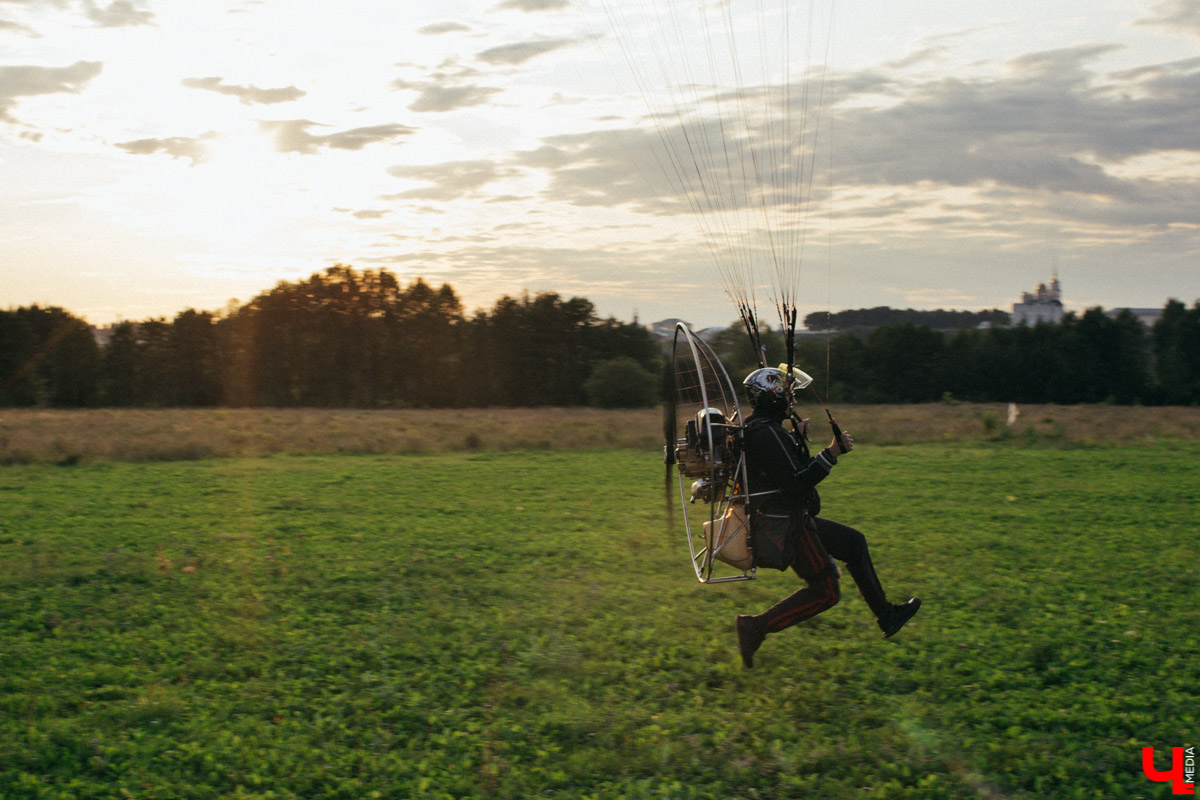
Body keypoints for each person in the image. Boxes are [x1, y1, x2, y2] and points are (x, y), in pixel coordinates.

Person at [735, 367, 920, 669]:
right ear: (771, 399)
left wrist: (797, 440)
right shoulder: (765, 433)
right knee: (826, 592)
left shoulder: (764, 429)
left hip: (789, 517)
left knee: (854, 543)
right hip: (787, 524)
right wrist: (831, 453)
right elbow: (795, 483)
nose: (790, 401)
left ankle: (887, 616)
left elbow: (783, 469)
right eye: (785, 395)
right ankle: (754, 627)